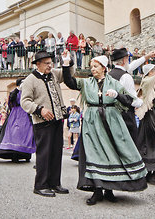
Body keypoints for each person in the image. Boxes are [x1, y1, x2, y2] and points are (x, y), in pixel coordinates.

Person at [62, 53, 147, 205]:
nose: (92, 69)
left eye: (95, 67)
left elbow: (129, 100)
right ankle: (97, 191)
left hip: (111, 120)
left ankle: (109, 190)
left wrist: (117, 96)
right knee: (94, 154)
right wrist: (66, 64)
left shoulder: (114, 83)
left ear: (104, 68)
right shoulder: (86, 83)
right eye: (91, 67)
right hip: (92, 122)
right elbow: (70, 82)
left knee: (112, 154)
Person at [20, 51, 72, 198]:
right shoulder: (30, 80)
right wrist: (39, 109)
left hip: (57, 119)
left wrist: (67, 62)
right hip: (42, 122)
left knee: (56, 153)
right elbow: (24, 102)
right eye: (47, 63)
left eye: (51, 62)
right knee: (44, 154)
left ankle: (55, 183)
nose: (50, 65)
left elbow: (68, 74)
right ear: (38, 64)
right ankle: (41, 185)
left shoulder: (54, 74)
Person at [109, 47, 154, 143]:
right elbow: (133, 100)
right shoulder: (126, 77)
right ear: (125, 60)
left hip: (112, 115)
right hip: (125, 116)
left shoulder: (109, 74)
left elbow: (131, 66)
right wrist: (143, 102)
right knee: (130, 144)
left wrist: (146, 57)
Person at [0, 78, 36, 162]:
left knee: (26, 135)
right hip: (15, 115)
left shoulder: (29, 92)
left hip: (26, 115)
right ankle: (14, 155)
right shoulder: (15, 92)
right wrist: (17, 89)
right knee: (14, 135)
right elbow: (11, 100)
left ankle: (27, 155)